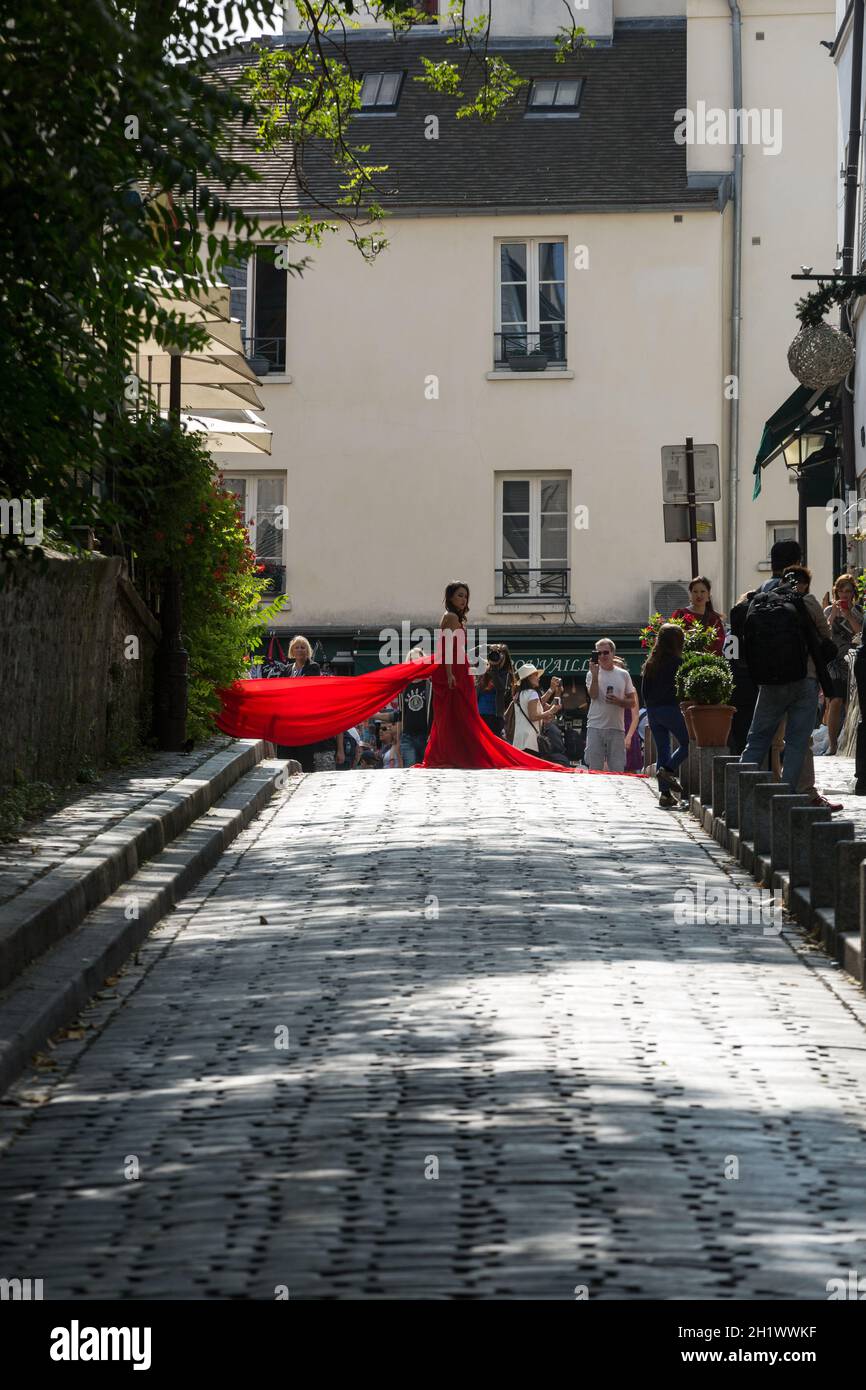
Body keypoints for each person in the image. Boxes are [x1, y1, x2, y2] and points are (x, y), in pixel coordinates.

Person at [216, 582, 647, 775]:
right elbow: (447, 651)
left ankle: (454, 753)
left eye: (465, 596)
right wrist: (454, 678)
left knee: (465, 723)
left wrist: (468, 675)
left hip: (458, 672)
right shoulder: (446, 617)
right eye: (459, 595)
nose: (464, 600)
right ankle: (451, 754)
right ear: (449, 598)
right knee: (456, 718)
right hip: (448, 674)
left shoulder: (458, 618)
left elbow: (459, 651)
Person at [736, 554, 837, 803]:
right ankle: (786, 800)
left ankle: (738, 795)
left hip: (769, 681)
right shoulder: (807, 601)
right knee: (797, 742)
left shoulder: (760, 602)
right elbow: (826, 637)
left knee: (757, 739)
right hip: (805, 679)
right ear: (803, 583)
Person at [640, 622, 689, 807]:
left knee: (663, 749)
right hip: (670, 709)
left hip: (653, 711)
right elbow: (682, 690)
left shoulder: (650, 664)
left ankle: (665, 795)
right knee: (687, 743)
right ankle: (668, 769)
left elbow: (644, 691)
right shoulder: (678, 663)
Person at [823, 574, 863, 754]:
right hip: (834, 662)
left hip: (852, 660)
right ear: (836, 592)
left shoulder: (858, 611)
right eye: (841, 590)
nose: (844, 594)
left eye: (848, 591)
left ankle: (848, 743)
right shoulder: (829, 610)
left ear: (853, 593)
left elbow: (860, 633)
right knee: (836, 700)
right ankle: (832, 744)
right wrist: (832, 613)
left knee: (851, 704)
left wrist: (848, 615)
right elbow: (825, 632)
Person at [585, 638, 638, 773]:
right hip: (595, 726)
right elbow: (593, 695)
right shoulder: (591, 673)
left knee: (617, 770)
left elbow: (632, 702)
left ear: (613, 653)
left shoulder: (623, 674)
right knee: (595, 769)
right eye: (599, 653)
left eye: (606, 652)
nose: (602, 656)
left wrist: (619, 701)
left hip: (616, 728)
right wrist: (596, 675)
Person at [275, 635, 321, 771]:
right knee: (286, 752)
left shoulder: (313, 667)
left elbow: (311, 689)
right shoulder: (287, 669)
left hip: (304, 717)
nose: (300, 650)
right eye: (297, 647)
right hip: (288, 718)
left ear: (307, 650)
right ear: (292, 651)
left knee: (305, 753)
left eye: (303, 647)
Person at [511, 663, 562, 753]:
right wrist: (551, 711)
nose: (538, 678)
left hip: (519, 740)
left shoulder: (519, 694)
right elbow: (533, 716)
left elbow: (538, 703)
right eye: (536, 675)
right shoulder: (532, 693)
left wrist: (551, 689)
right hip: (530, 741)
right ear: (529, 677)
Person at [397, 646, 433, 766]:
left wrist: (432, 734)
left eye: (418, 660)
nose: (415, 664)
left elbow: (435, 712)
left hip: (425, 736)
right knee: (411, 770)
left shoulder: (430, 685)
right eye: (412, 660)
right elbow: (400, 714)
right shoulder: (404, 686)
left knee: (426, 771)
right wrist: (398, 742)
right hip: (408, 737)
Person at [672, 576, 726, 655]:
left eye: (702, 591)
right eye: (695, 591)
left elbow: (719, 641)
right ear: (690, 594)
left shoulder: (714, 618)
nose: (699, 595)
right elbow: (672, 639)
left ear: (708, 595)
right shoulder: (680, 614)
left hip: (708, 662)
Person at [475, 643, 514, 739]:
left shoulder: (507, 675)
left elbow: (500, 687)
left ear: (505, 657)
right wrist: (488, 647)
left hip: (495, 717)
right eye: (495, 653)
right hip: (479, 714)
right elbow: (471, 654)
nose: (496, 656)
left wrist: (495, 668)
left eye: (500, 653)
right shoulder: (484, 668)